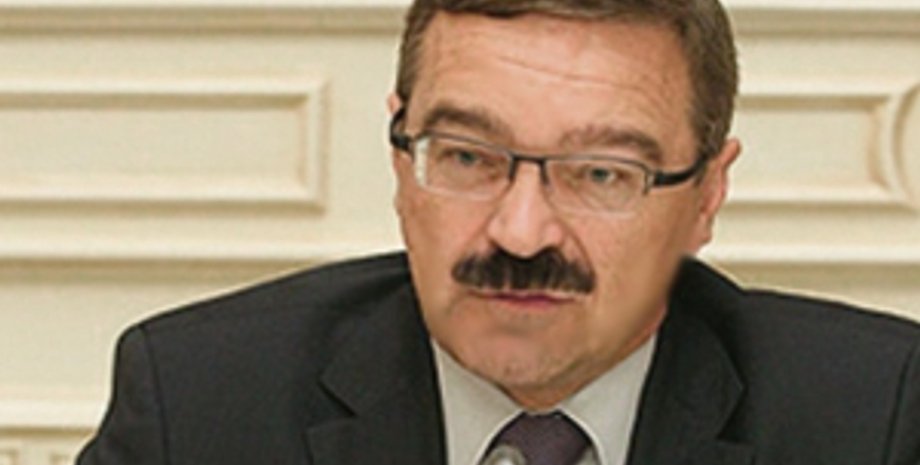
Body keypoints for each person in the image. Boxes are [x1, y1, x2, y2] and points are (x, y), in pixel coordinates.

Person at [77, 0, 920, 464]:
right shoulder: (200, 406)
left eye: (600, 173)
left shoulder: (876, 420)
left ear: (707, 193)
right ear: (401, 159)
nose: (520, 234)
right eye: (469, 157)